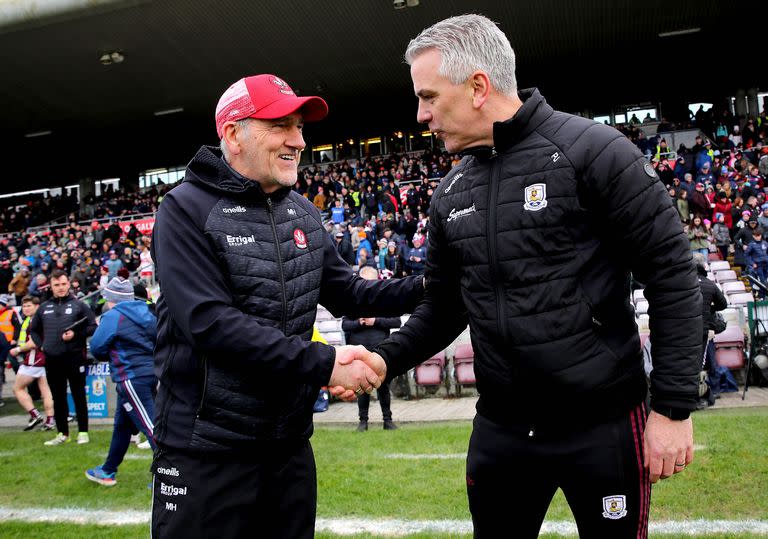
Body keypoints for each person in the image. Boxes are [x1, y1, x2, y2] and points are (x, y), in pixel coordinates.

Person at [346, 15, 702, 538]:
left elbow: (673, 277)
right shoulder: (449, 193)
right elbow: (444, 306)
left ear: (477, 88)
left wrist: (672, 409)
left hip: (602, 423)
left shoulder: (596, 153)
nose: (420, 115)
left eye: (428, 96)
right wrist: (383, 357)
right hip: (503, 429)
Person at [150, 74, 423, 539]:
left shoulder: (302, 211)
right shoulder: (184, 209)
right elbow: (211, 323)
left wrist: (434, 281)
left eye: (299, 127)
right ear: (234, 133)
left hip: (288, 446)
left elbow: (352, 294)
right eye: (280, 125)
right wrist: (325, 365)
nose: (298, 140)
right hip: (207, 450)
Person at [85, 276, 157, 487]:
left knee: (151, 427)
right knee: (122, 426)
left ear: (111, 298)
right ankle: (108, 470)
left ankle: (169, 473)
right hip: (150, 373)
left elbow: (97, 348)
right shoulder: (146, 311)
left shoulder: (112, 316)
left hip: (130, 377)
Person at [28, 270, 97, 446]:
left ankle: (83, 432)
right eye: (56, 285)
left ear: (69, 284)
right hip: (52, 359)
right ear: (51, 286)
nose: (60, 288)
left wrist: (75, 333)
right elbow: (33, 330)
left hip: (74, 357)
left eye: (63, 284)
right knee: (57, 397)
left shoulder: (79, 305)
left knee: (78, 395)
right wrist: (40, 345)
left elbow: (92, 327)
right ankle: (62, 433)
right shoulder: (44, 307)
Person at [341, 266, 402, 432]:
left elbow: (396, 321)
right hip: (359, 351)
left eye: (371, 280)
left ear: (377, 280)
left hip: (381, 351)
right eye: (364, 281)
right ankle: (363, 422)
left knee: (383, 387)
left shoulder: (385, 299)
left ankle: (387, 420)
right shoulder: (352, 301)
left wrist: (375, 321)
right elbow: (345, 325)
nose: (368, 285)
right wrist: (359, 322)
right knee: (362, 388)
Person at [9, 295, 54, 431]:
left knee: (17, 388)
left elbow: (34, 342)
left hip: (34, 358)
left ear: (37, 306)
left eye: (29, 306)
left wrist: (18, 349)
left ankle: (35, 414)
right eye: (24, 306)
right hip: (44, 357)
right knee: (46, 392)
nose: (26, 308)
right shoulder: (37, 319)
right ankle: (50, 421)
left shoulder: (35, 321)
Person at [694, 254, 727, 409]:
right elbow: (723, 304)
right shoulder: (710, 284)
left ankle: (697, 396)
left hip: (685, 330)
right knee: (701, 363)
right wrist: (710, 308)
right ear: (704, 266)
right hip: (703, 330)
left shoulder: (684, 283)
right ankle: (704, 396)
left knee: (690, 364)